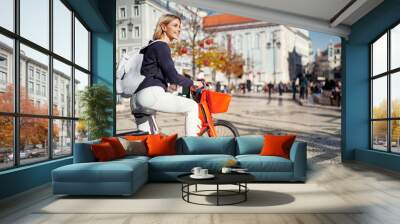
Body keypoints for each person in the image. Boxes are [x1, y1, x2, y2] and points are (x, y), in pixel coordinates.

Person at [133, 14, 203, 136]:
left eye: (180, 26)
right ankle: (192, 149)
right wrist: (194, 83)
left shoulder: (151, 46)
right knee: (192, 106)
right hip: (150, 94)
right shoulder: (161, 46)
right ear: (164, 27)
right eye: (175, 25)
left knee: (149, 141)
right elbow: (173, 77)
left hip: (136, 99)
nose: (179, 29)